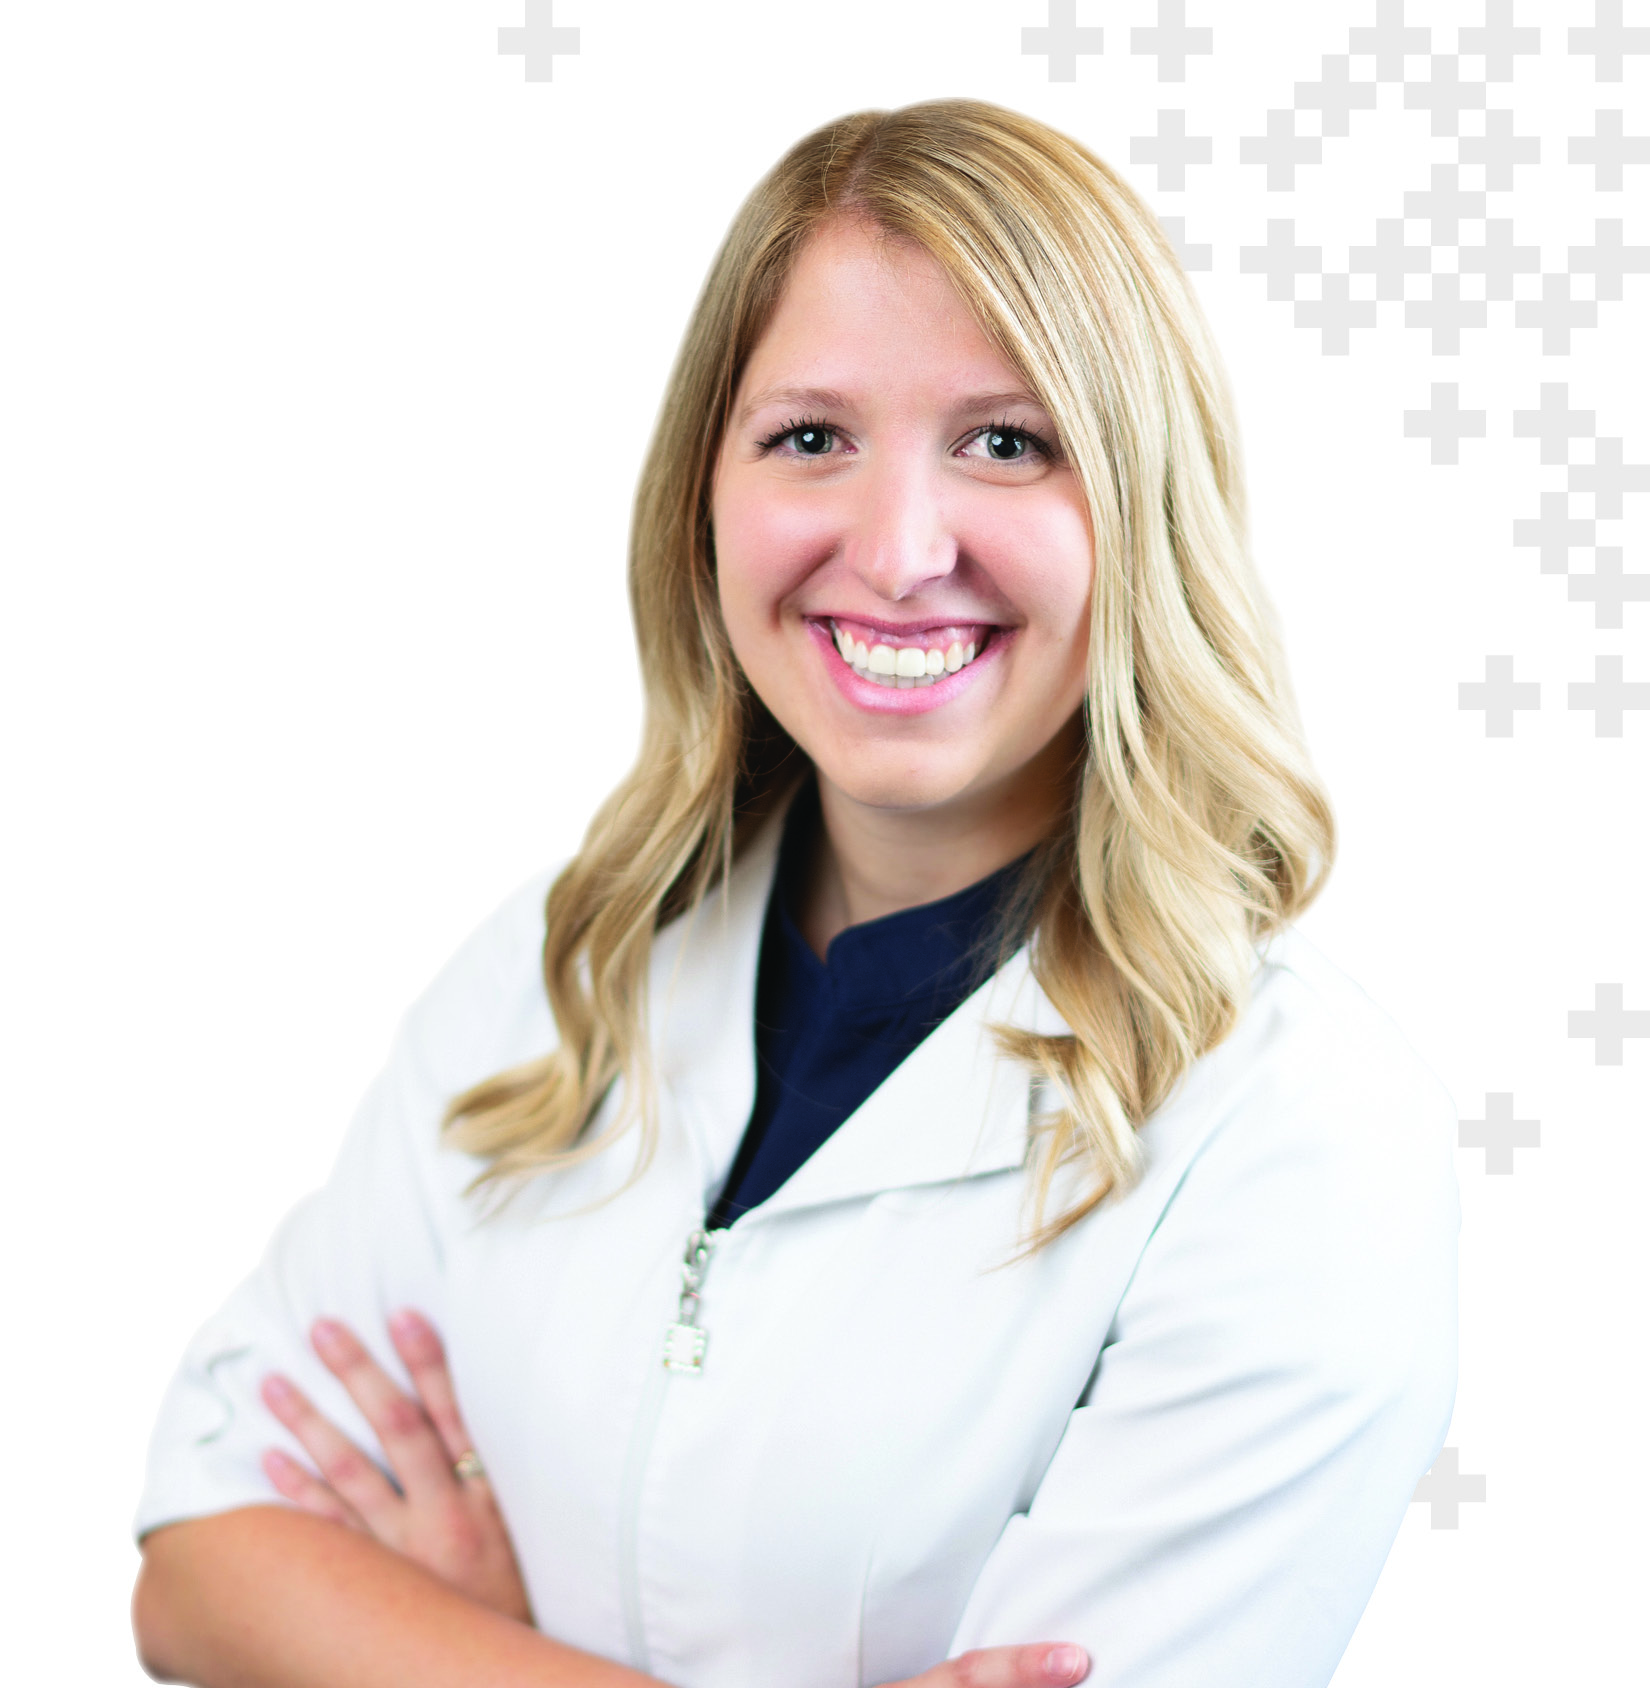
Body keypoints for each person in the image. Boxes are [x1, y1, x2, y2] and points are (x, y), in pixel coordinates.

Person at [130, 98, 1460, 1688]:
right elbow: (200, 1569)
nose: (896, 554)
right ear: (703, 495)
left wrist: (440, 1645)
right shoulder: (564, 971)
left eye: (1007, 442)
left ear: (1142, 506)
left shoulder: (1291, 1135)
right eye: (811, 438)